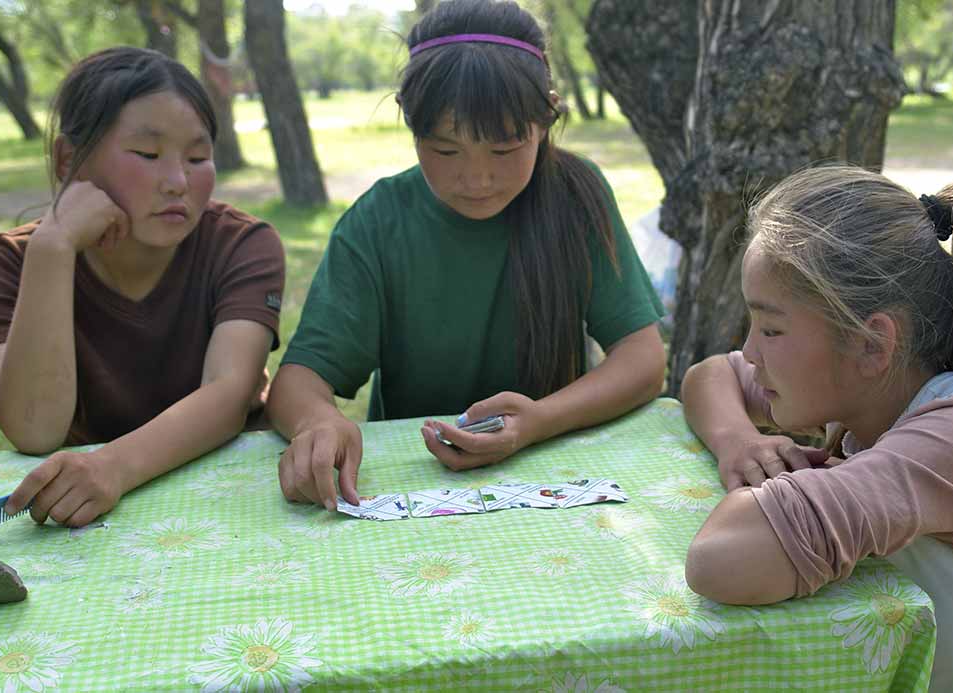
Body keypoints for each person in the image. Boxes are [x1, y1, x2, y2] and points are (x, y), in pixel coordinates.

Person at [267, 0, 666, 511]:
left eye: (504, 150)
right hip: (414, 489)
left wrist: (539, 421)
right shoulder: (378, 222)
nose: (476, 179)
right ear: (411, 126)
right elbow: (299, 379)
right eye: (446, 150)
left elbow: (643, 357)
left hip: (558, 480)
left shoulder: (575, 197)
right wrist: (317, 420)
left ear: (546, 116)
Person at [682, 165, 953, 691]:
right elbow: (710, 376)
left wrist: (813, 488)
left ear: (871, 344)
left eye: (771, 328)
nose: (750, 350)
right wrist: (738, 440)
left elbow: (720, 560)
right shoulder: (866, 391)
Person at [0, 47, 285, 528]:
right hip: (78, 512)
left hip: (234, 497)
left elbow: (228, 396)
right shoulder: (6, 265)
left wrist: (112, 467)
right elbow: (34, 430)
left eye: (199, 157)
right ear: (67, 159)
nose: (178, 181)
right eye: (147, 154)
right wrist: (53, 248)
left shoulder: (242, 245)